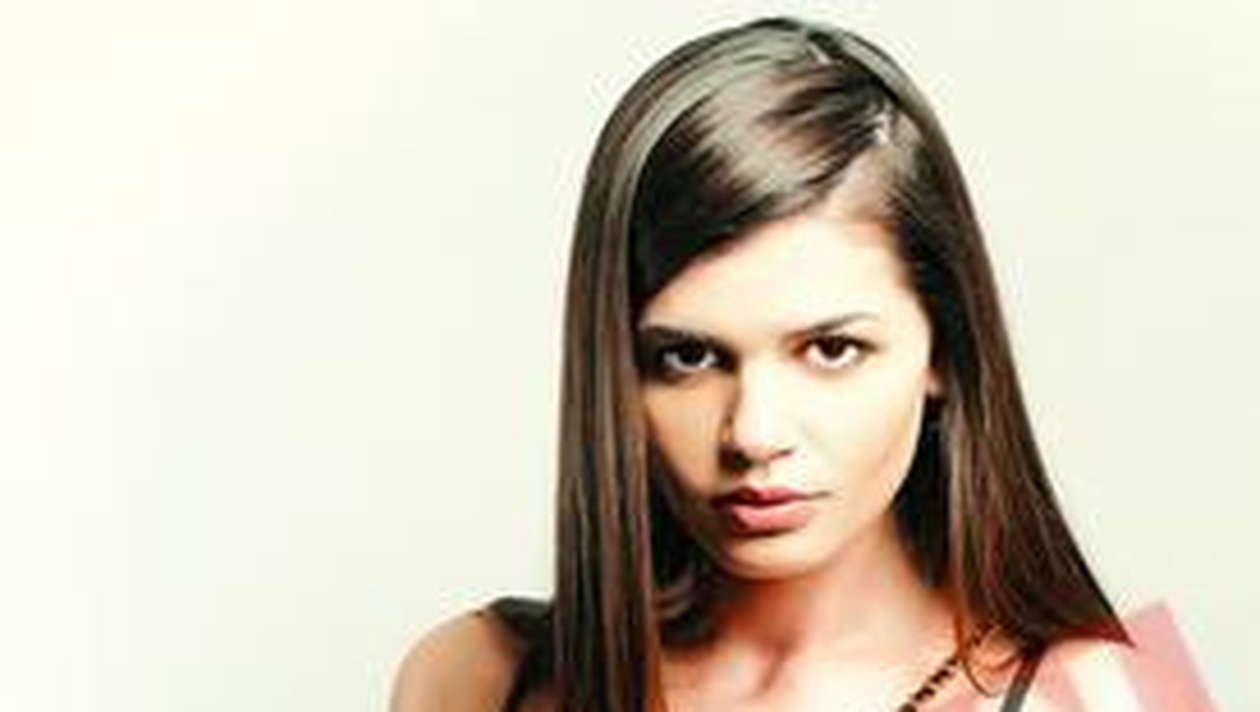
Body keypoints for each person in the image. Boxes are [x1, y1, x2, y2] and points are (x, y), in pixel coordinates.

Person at [392, 16, 1165, 711]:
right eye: (688, 357)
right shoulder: (476, 679)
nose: (754, 434)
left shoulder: (1103, 699)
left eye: (831, 349)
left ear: (945, 350)